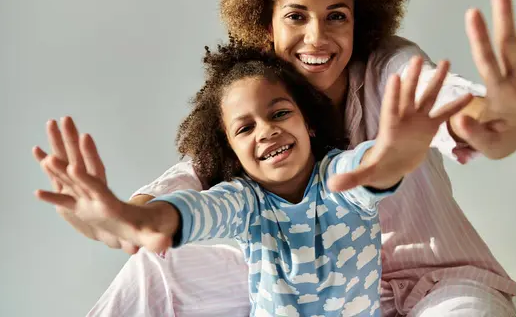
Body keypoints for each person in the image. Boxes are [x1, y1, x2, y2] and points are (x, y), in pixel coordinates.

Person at [33, 0, 516, 315]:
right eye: (296, 17)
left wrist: (511, 116)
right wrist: (119, 217)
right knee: (155, 264)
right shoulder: (257, 97)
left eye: (335, 17)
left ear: (358, 23)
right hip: (312, 287)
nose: (317, 37)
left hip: (429, 279)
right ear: (266, 26)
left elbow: (462, 113)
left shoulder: (390, 66)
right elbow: (187, 184)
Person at [35, 45, 472, 317]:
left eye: (280, 113)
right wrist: (130, 218)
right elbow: (191, 213)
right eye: (245, 129)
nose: (266, 130)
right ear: (231, 150)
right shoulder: (243, 202)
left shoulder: (339, 175)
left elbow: (371, 169)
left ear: (310, 123)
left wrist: (396, 151)